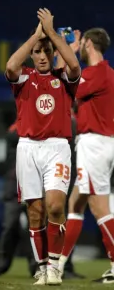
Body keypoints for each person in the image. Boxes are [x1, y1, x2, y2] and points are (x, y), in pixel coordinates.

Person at [5, 8, 81, 285]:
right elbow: (10, 66)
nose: (41, 56)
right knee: (35, 211)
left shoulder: (64, 79)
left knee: (56, 206)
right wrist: (36, 36)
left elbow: (75, 66)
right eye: (37, 51)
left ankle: (54, 266)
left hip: (57, 147)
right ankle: (41, 267)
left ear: (53, 54)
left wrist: (50, 33)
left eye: (46, 51)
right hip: (28, 148)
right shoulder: (23, 78)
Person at [57, 28, 114, 284]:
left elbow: (68, 89)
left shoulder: (97, 73)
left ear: (89, 43)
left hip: (95, 144)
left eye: (82, 43)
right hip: (99, 143)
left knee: (99, 206)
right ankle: (57, 265)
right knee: (76, 204)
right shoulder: (108, 74)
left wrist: (68, 48)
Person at [0, 122, 37, 278]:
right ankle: (3, 262)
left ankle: (36, 265)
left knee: (35, 228)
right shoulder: (15, 130)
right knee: (10, 226)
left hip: (33, 187)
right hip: (14, 188)